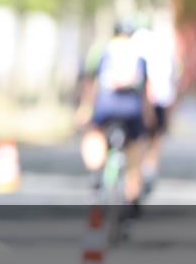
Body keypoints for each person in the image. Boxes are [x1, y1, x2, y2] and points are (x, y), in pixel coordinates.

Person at [77, 19, 153, 217]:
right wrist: (147, 116)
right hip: (132, 109)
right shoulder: (139, 55)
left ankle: (96, 175)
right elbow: (145, 92)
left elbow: (91, 82)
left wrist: (85, 108)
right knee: (134, 150)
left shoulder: (102, 50)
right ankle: (132, 194)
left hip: (106, 105)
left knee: (94, 132)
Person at [131, 23, 180, 199]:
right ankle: (148, 170)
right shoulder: (163, 48)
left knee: (138, 140)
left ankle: (139, 173)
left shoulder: (133, 44)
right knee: (155, 137)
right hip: (159, 98)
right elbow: (173, 79)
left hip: (138, 99)